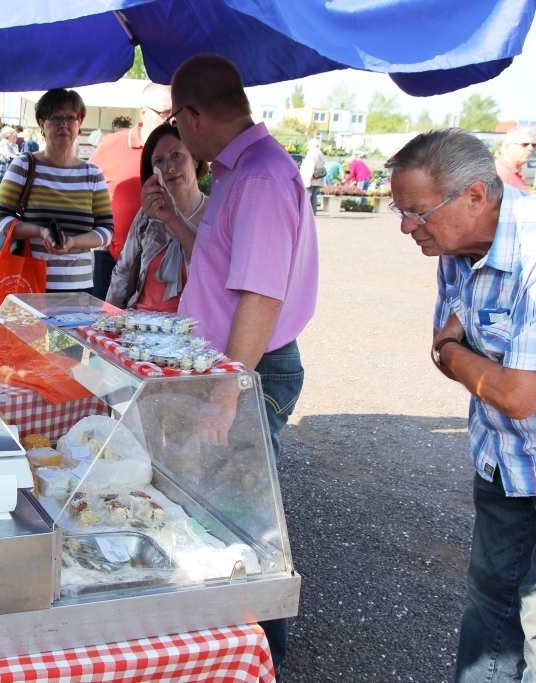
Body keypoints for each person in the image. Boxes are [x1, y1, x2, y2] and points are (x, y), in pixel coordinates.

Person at [169, 53, 319, 674]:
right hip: (231, 366)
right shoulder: (241, 168)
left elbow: (261, 294)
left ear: (193, 116)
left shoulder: (257, 175)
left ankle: (259, 659)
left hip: (248, 371)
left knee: (245, 525)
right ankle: (220, 651)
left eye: (176, 124)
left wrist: (226, 393)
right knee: (218, 512)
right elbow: (221, 262)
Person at [385, 128, 536, 683]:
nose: (406, 226)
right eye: (400, 211)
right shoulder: (455, 247)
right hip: (504, 462)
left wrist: (455, 350)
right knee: (490, 610)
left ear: (476, 195)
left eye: (417, 211)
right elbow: (444, 353)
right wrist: (459, 357)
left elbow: (518, 395)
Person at [0, 88, 113, 293]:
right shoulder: (25, 165)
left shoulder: (92, 173)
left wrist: (73, 242)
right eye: (55, 117)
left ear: (79, 123)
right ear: (42, 124)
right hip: (29, 285)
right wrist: (40, 231)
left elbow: (106, 231)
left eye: (70, 118)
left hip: (79, 290)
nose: (63, 125)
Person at [106, 124, 204, 311]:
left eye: (176, 155)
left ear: (195, 158)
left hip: (192, 335)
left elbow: (217, 274)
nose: (169, 168)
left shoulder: (216, 215)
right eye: (159, 161)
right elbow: (122, 274)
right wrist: (109, 324)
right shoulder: (147, 216)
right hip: (137, 332)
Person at [89, 82, 172, 301]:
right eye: (165, 113)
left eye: (176, 113)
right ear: (143, 112)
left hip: (161, 265)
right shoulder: (111, 146)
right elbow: (83, 192)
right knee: (104, 325)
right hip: (112, 259)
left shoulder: (179, 150)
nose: (172, 120)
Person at [495, 125, 535, 192]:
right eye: (524, 144)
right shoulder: (501, 173)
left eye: (533, 145)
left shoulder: (512, 172)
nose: (530, 148)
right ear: (507, 147)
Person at [299, 138, 326, 216]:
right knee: (313, 195)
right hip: (317, 178)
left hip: (311, 177)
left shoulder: (312, 153)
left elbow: (311, 165)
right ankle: (313, 212)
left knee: (308, 195)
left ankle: (307, 213)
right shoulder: (319, 152)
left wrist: (309, 177)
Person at [0, 125, 19, 192]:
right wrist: (17, 157)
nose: (14, 137)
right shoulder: (4, 143)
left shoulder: (12, 145)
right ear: (8, 135)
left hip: (7, 173)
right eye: (12, 135)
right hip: (2, 173)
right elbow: (7, 154)